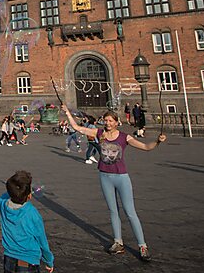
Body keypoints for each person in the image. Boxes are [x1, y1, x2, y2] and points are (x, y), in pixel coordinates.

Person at [63, 104, 166, 262]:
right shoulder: (99, 133)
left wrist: (158, 142)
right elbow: (77, 127)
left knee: (130, 212)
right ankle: (118, 242)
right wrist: (67, 113)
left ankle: (142, 245)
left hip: (121, 177)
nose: (108, 123)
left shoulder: (125, 137)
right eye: (106, 120)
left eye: (111, 121)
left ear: (117, 122)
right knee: (113, 211)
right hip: (105, 176)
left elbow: (146, 147)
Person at [0, 170, 54, 273]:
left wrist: (13, 188)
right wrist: (48, 260)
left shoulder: (3, 204)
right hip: (28, 265)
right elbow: (42, 241)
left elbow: (5, 197)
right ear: (29, 195)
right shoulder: (32, 213)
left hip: (9, 261)